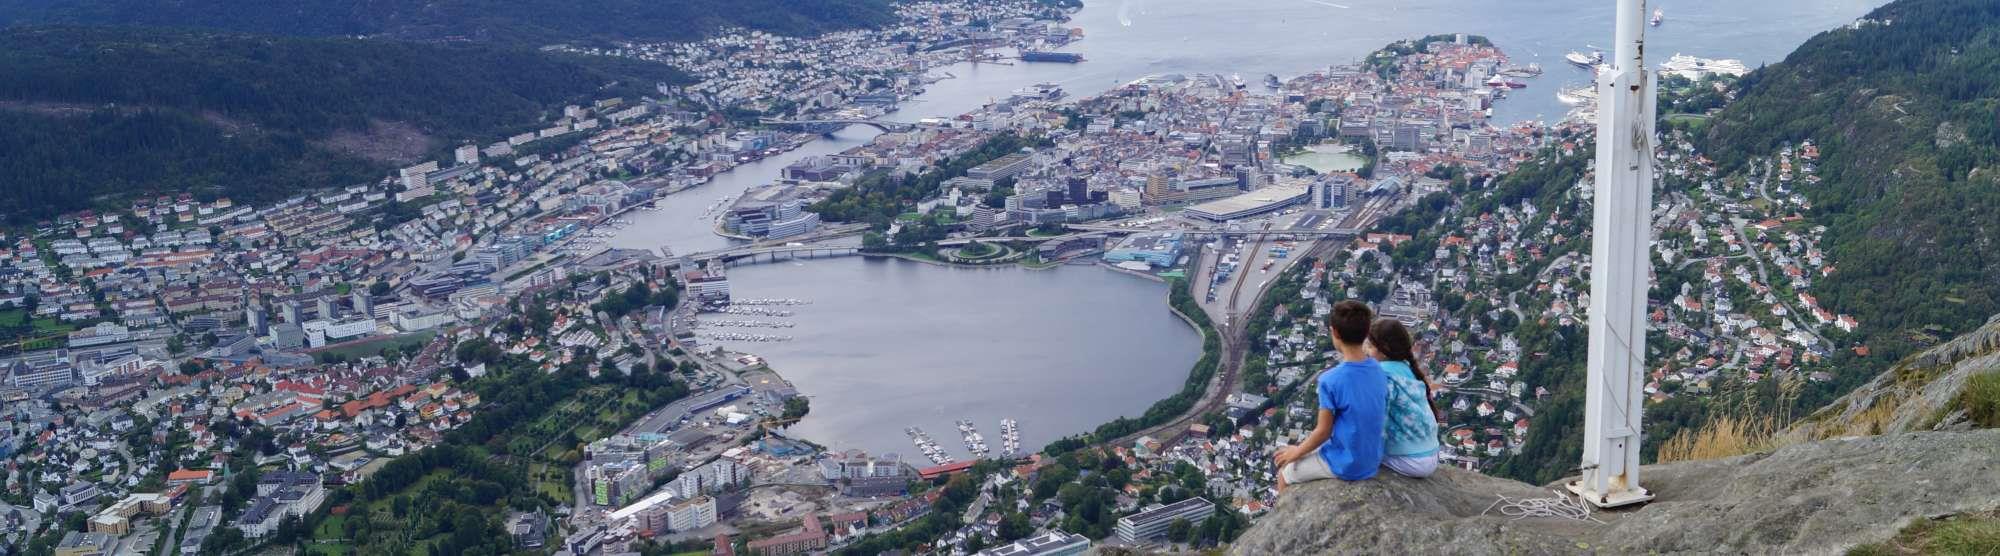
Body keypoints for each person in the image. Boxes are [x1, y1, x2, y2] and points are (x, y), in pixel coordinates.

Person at [1273, 300, 1387, 494]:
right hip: (1374, 457)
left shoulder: (1330, 380)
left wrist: (1296, 452)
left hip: (1349, 464)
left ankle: (1282, 519)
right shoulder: (1378, 368)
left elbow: (1323, 431)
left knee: (1284, 473)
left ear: (1334, 333)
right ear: (1367, 332)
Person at [1370, 318, 1440, 478]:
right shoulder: (1408, 369)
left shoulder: (1382, 375)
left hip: (1409, 460)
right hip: (1431, 455)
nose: (1367, 351)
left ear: (1384, 348)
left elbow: (1377, 421)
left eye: (1371, 346)